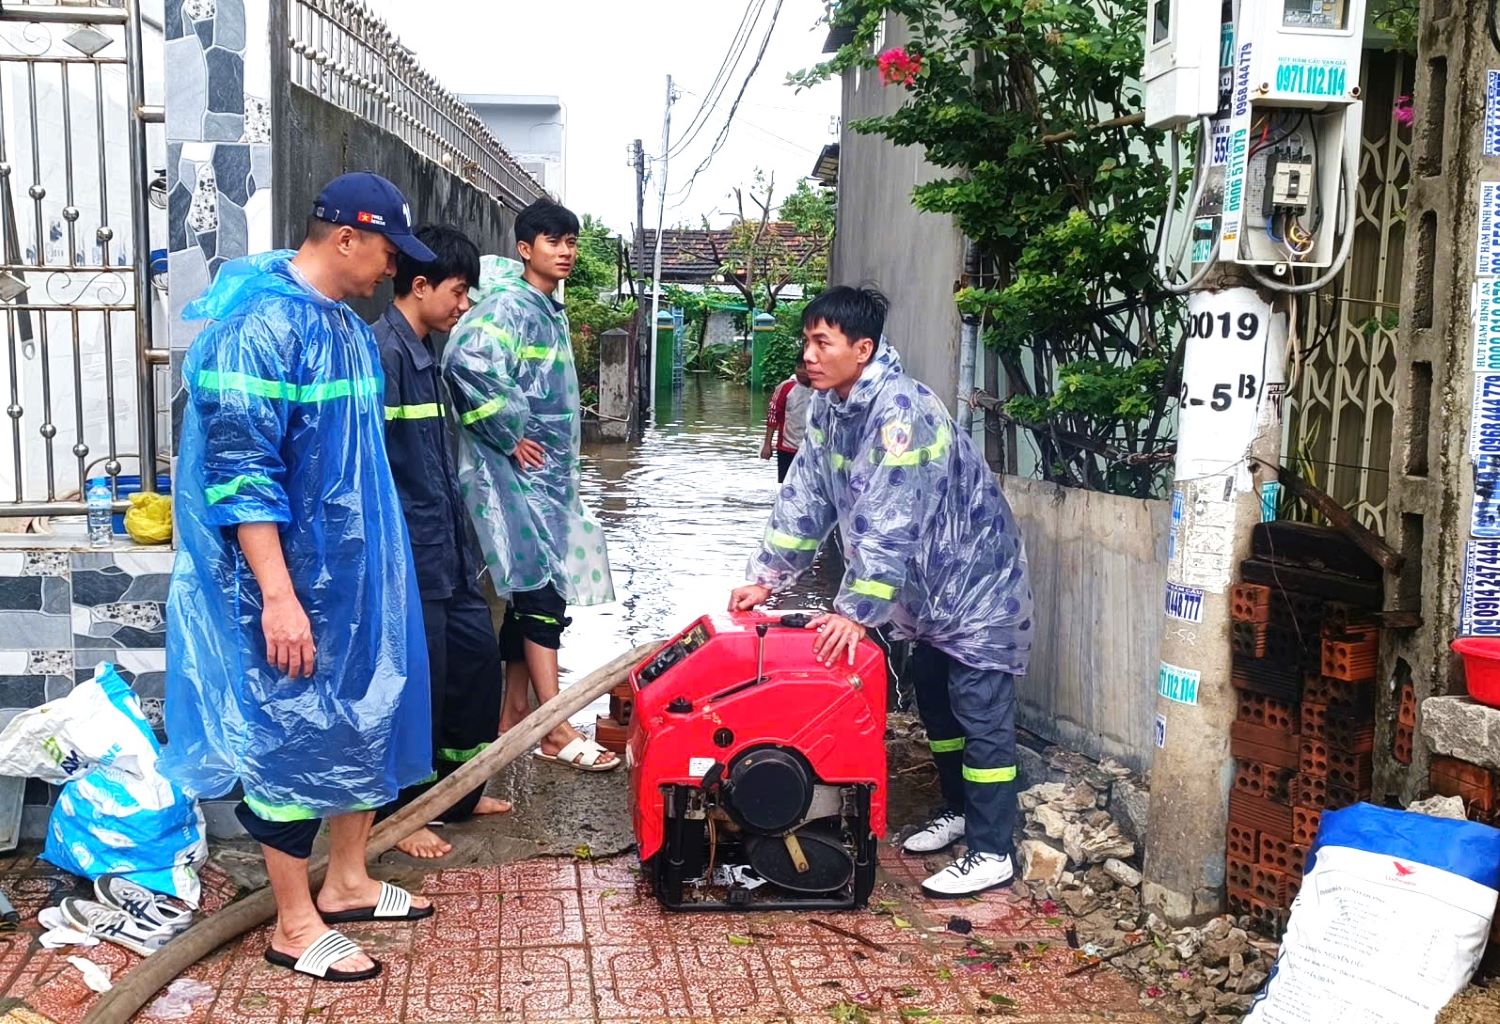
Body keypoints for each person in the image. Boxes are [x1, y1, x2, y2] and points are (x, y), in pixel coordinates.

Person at [164, 172, 438, 982]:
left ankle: (348, 881)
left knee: (364, 716)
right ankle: (292, 921)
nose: (393, 268)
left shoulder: (345, 329)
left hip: (354, 579)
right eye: (388, 250)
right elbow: (242, 473)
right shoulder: (257, 329)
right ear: (346, 237)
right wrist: (278, 597)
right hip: (281, 583)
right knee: (288, 733)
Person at [729, 285, 1033, 898]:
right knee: (939, 708)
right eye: (807, 341)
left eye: (823, 342)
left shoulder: (902, 414)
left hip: (976, 586)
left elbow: (890, 518)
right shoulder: (831, 410)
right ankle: (959, 812)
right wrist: (767, 575)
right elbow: (807, 497)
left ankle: (993, 847)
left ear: (862, 349)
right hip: (924, 596)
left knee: (981, 717)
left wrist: (855, 613)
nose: (809, 355)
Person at [443, 199, 618, 772]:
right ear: (525, 249)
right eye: (553, 241)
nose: (565, 251)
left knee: (532, 596)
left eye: (571, 241)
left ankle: (513, 715)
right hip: (515, 479)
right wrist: (508, 433)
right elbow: (465, 365)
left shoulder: (547, 308)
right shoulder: (510, 308)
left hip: (547, 480)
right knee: (542, 595)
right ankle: (555, 725)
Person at [372, 224, 513, 860]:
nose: (464, 306)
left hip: (450, 551)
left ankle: (456, 794)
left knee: (475, 667)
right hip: (408, 554)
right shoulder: (385, 355)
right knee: (417, 687)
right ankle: (403, 814)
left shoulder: (430, 355)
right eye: (458, 292)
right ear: (420, 285)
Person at [761, 357, 814, 482]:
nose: (801, 371)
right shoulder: (786, 387)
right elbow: (773, 415)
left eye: (805, 367)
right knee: (787, 486)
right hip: (788, 447)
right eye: (798, 367)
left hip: (813, 448)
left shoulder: (823, 388)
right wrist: (767, 444)